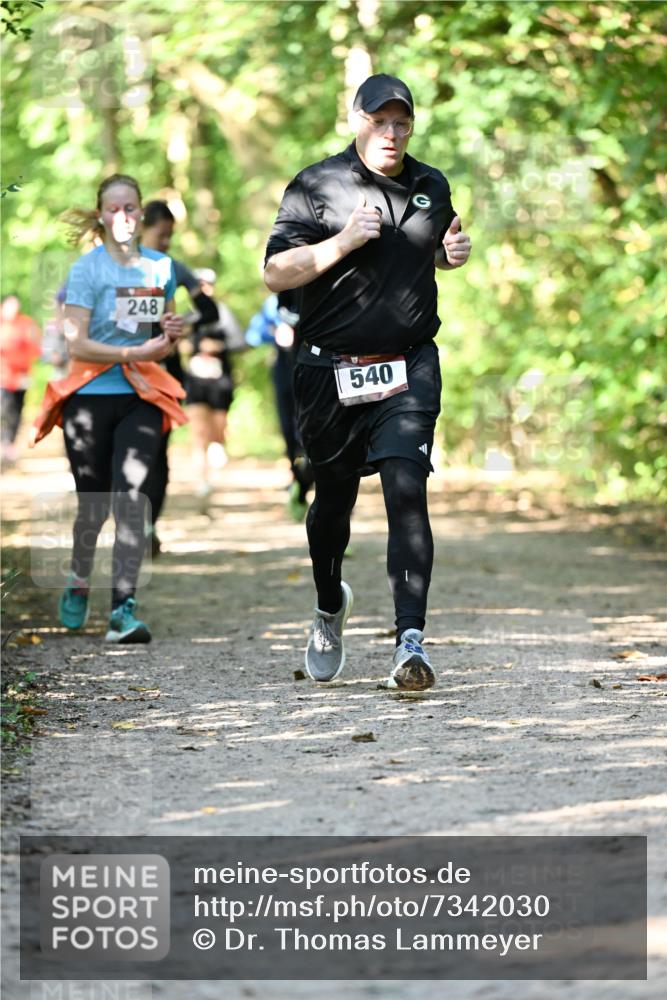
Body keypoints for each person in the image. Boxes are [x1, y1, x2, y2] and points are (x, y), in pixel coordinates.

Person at [264, 74, 471, 689]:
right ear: (356, 119)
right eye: (380, 121)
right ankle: (330, 605)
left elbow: (431, 246)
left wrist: (450, 253)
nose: (391, 132)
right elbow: (277, 272)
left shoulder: (430, 184)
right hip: (329, 371)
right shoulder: (315, 185)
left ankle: (412, 644)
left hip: (408, 366)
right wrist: (344, 239)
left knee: (407, 490)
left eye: (401, 122)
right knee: (332, 505)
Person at [30, 173, 186, 643]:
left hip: (140, 395)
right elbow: (77, 342)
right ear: (101, 215)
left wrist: (171, 334)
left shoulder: (161, 267)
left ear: (141, 213)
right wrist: (132, 354)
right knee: (92, 505)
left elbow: (160, 336)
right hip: (90, 397)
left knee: (132, 499)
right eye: (114, 208)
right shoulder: (86, 271)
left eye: (131, 208)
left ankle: (123, 609)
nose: (124, 216)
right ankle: (80, 576)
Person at [140, 200, 219, 550]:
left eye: (171, 236)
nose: (167, 243)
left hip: (163, 371)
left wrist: (179, 326)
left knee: (157, 452)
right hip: (121, 369)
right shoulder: (114, 266)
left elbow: (209, 309)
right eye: (162, 235)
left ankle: (147, 526)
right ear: (142, 227)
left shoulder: (172, 266)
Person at [245, 289, 314, 520]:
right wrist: (274, 332)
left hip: (317, 368)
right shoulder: (271, 304)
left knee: (313, 429)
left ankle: (317, 486)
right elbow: (252, 336)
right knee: (289, 428)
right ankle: (297, 479)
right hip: (285, 368)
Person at [184, 268, 242, 510]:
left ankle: (217, 453)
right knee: (198, 432)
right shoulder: (188, 316)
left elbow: (240, 342)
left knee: (218, 430)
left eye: (208, 284)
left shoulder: (224, 314)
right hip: (196, 380)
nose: (204, 288)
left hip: (219, 381)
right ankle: (202, 479)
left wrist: (218, 346)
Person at [0, 295, 41, 465]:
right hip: (3, 377)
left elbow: (35, 347)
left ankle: (10, 444)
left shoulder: (26, 323)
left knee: (17, 410)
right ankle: (4, 442)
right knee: (4, 409)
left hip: (21, 377)